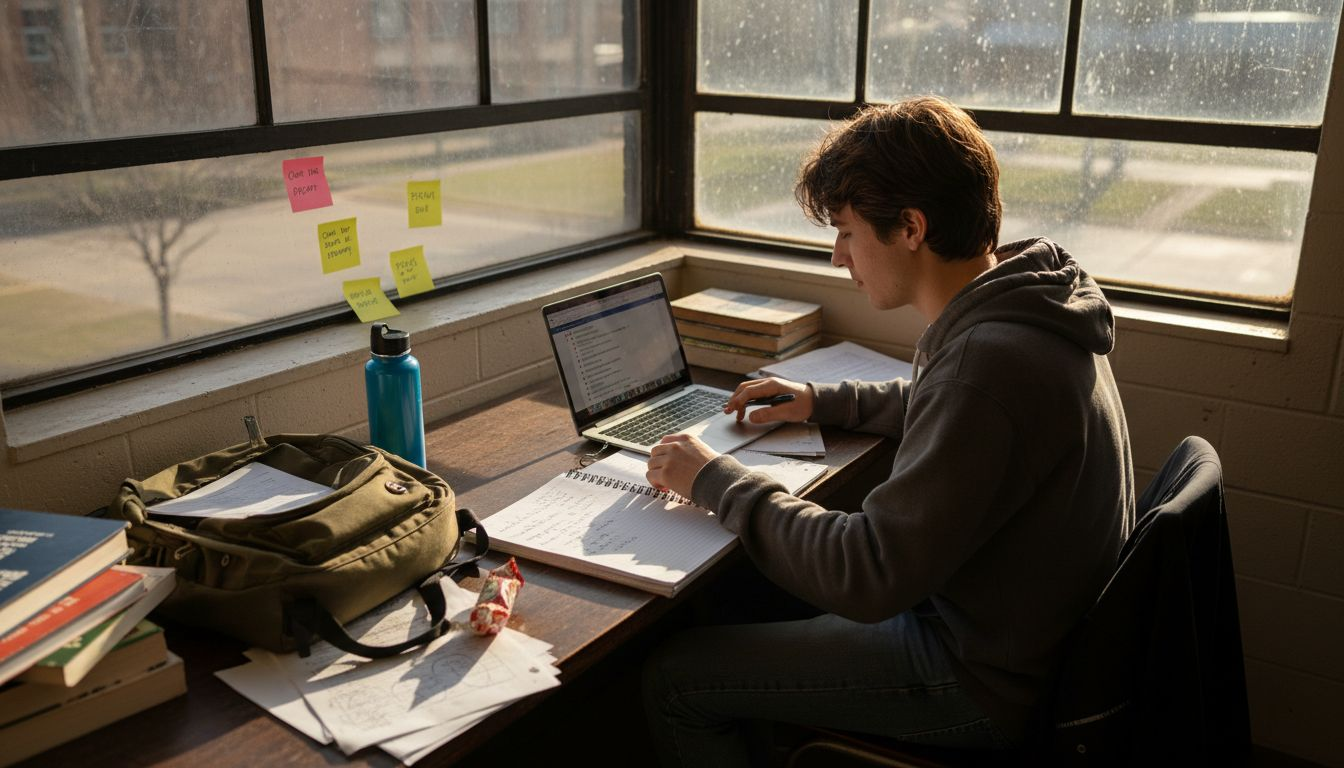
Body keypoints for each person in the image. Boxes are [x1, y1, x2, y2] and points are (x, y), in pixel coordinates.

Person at [642, 96, 1135, 765]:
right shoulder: (1031, 305)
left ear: (909, 227)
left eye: (846, 232)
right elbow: (947, 409)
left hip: (978, 678)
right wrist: (822, 399)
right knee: (740, 592)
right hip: (1017, 636)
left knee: (675, 677)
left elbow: (869, 573)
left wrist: (712, 478)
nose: (840, 257)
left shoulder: (987, 366)